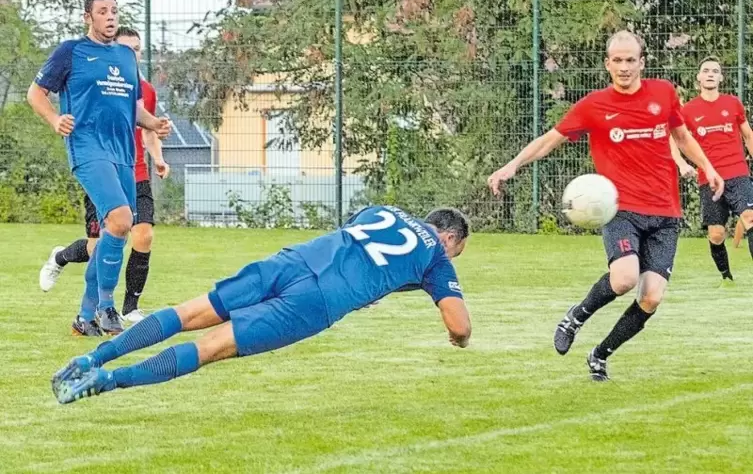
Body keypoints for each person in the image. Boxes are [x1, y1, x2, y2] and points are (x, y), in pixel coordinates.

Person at [51, 206, 471, 404]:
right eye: (456, 253)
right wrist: (460, 340)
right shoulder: (436, 255)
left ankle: (92, 357)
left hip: (294, 260)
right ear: (449, 238)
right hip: (317, 300)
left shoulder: (386, 209)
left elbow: (358, 241)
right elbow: (459, 324)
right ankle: (111, 380)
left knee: (187, 312)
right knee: (210, 346)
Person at [487, 30, 724, 381]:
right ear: (607, 64)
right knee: (625, 277)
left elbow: (682, 136)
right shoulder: (594, 106)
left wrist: (708, 167)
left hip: (665, 213)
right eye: (618, 60)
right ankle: (576, 316)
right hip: (620, 209)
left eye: (631, 60)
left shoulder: (664, 93)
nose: (624, 67)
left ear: (642, 62)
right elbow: (549, 141)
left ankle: (600, 354)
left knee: (652, 297)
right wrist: (512, 165)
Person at [27, 0, 171, 337]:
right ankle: (108, 307)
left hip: (123, 153)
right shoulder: (71, 51)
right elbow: (36, 93)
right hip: (89, 149)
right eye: (103, 11)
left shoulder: (125, 57)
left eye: (114, 11)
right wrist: (54, 120)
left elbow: (131, 106)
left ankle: (84, 315)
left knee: (113, 233)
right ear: (87, 17)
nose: (110, 17)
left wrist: (152, 123)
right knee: (121, 220)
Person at [675, 56, 753, 285]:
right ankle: (726, 277)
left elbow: (748, 135)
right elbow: (676, 139)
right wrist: (681, 163)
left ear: (721, 77)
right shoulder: (688, 110)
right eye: (706, 70)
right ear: (698, 77)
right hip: (709, 178)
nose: (710, 74)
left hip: (738, 173)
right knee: (717, 234)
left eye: (715, 71)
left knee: (750, 218)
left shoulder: (733, 104)